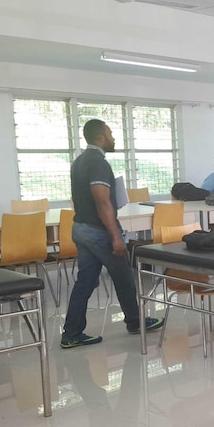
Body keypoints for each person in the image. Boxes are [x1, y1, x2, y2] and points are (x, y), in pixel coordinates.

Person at [61, 119, 163, 348]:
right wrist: (115, 236)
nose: (113, 137)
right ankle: (135, 322)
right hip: (98, 231)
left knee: (85, 282)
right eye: (110, 133)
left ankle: (71, 334)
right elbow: (102, 201)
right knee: (123, 276)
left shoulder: (79, 162)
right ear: (99, 137)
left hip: (81, 228)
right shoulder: (97, 163)